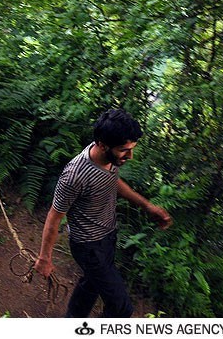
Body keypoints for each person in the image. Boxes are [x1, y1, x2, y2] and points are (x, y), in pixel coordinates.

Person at [34, 108, 172, 317]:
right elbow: (54, 216)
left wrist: (147, 206)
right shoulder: (75, 176)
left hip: (107, 237)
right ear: (101, 144)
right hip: (88, 247)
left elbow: (113, 182)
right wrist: (45, 257)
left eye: (132, 148)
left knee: (91, 284)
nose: (130, 156)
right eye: (124, 150)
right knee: (121, 307)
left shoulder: (109, 159)